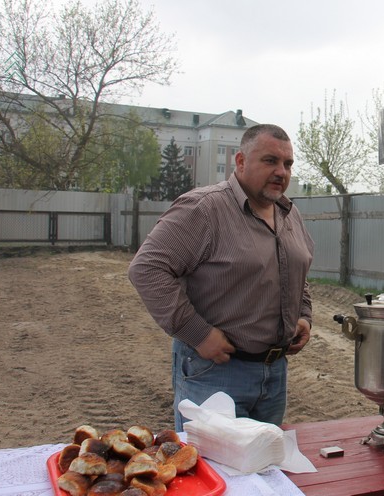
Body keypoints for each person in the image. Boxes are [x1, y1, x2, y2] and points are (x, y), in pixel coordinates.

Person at [128, 124, 314, 430]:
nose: (281, 171)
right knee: (211, 472)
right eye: (270, 161)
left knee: (261, 471)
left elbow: (296, 269)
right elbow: (147, 268)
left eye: (288, 164)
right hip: (215, 373)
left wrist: (304, 316)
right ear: (240, 161)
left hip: (274, 376)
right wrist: (198, 333)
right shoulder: (204, 208)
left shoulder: (288, 213)